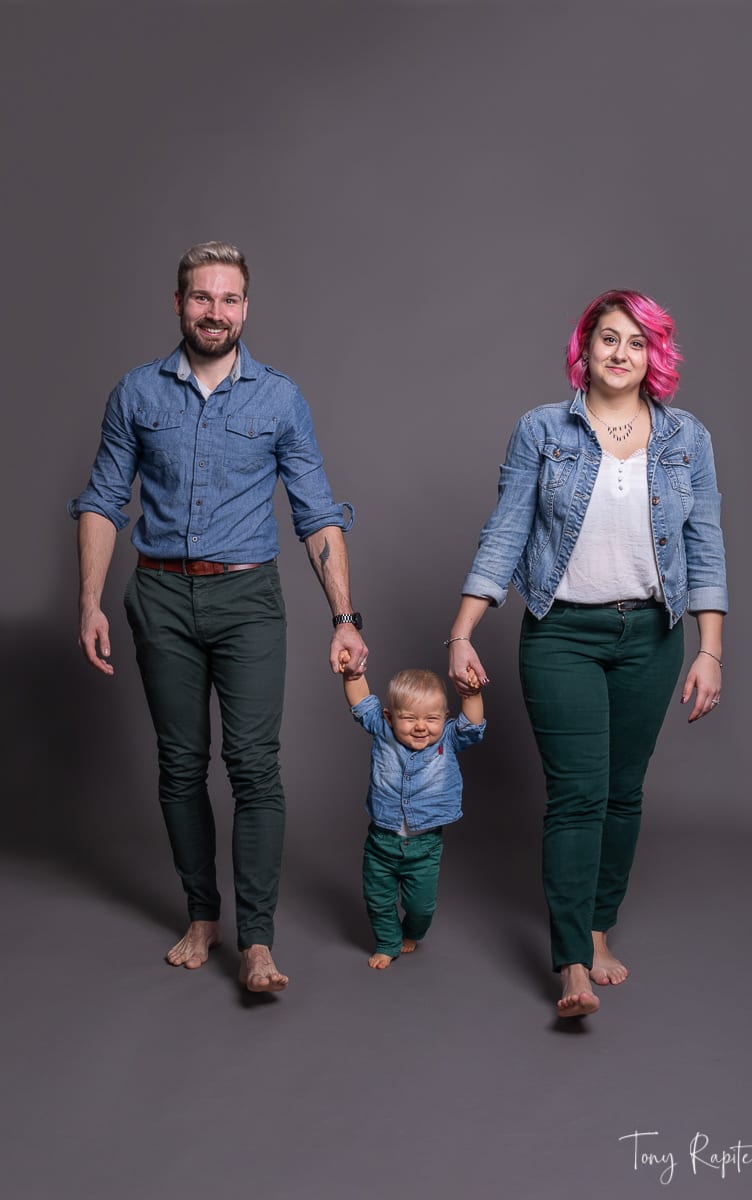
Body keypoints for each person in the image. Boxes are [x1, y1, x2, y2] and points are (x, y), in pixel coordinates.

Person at [69, 241, 368, 993]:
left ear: (246, 308)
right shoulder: (137, 393)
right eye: (201, 297)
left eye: (229, 299)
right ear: (178, 304)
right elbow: (105, 498)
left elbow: (317, 515)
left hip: (248, 602)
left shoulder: (279, 398)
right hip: (161, 596)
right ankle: (202, 914)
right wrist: (91, 601)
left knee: (254, 765)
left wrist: (344, 617)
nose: (215, 311)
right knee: (180, 765)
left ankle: (258, 941)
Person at [446, 289, 727, 1018]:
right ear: (586, 347)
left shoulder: (687, 438)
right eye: (608, 338)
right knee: (577, 794)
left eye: (636, 342)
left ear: (654, 356)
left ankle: (599, 928)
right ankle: (571, 958)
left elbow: (705, 545)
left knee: (622, 792)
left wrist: (710, 649)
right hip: (561, 634)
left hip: (653, 638)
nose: (621, 353)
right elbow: (505, 531)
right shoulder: (542, 430)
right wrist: (463, 630)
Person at [342, 664, 485, 968]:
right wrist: (352, 674)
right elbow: (360, 702)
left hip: (425, 847)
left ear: (444, 719)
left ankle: (412, 932)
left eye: (431, 719)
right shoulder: (382, 731)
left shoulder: (447, 739)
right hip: (381, 841)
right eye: (409, 718)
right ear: (390, 717)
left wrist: (472, 694)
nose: (421, 727)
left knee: (420, 907)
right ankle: (387, 943)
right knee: (377, 900)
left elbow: (472, 726)